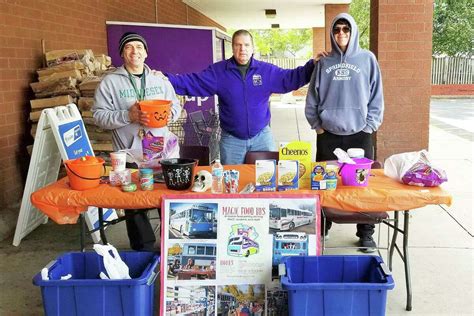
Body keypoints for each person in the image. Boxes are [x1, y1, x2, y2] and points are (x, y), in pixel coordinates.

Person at [165, 29, 316, 164]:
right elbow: (192, 82)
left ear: (253, 48)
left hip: (262, 137)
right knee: (233, 185)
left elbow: (290, 78)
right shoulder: (219, 72)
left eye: (246, 45)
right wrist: (166, 79)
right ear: (233, 48)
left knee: (267, 182)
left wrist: (313, 66)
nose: (242, 49)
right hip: (232, 141)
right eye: (238, 45)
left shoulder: (265, 71)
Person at [93, 32, 181, 251]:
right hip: (129, 153)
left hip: (162, 152)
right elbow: (98, 117)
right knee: (134, 202)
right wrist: (127, 116)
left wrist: (170, 115)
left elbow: (176, 106)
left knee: (166, 197)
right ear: (122, 53)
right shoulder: (110, 83)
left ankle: (173, 245)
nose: (135, 52)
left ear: (146, 52)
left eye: (139, 47)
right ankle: (144, 250)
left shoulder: (159, 80)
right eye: (129, 47)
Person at [305, 13, 384, 252]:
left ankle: (365, 232)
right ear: (332, 33)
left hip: (359, 133)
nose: (341, 34)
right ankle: (324, 227)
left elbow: (376, 96)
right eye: (337, 29)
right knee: (325, 186)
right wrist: (318, 126)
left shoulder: (367, 59)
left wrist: (369, 126)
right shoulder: (324, 63)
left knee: (361, 186)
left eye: (346, 29)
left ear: (353, 32)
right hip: (328, 133)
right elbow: (313, 97)